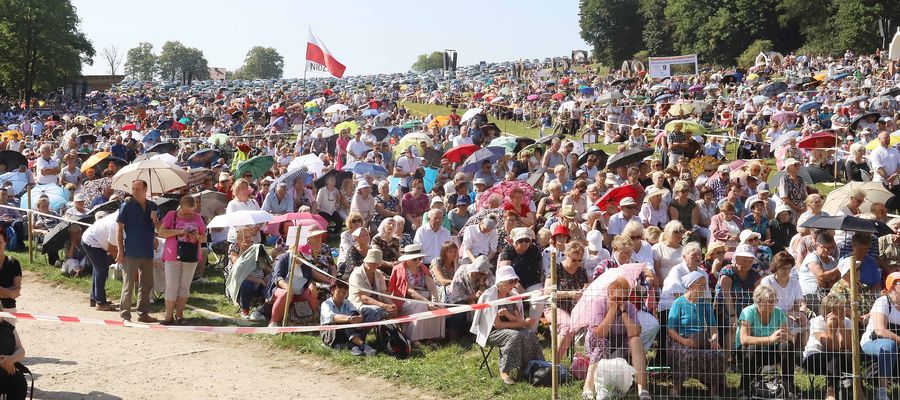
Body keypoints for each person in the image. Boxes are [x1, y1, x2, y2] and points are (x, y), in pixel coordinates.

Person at [579, 274, 652, 400]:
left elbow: (634, 333)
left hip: (620, 342)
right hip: (598, 342)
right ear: (609, 294)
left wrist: (623, 313)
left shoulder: (629, 307)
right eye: (616, 298)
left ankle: (643, 390)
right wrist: (612, 311)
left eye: (624, 298)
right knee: (602, 343)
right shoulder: (599, 303)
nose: (620, 302)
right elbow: (600, 333)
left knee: (636, 341)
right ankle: (588, 387)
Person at [470, 265, 544, 385]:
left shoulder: (513, 294)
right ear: (501, 282)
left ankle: (530, 367)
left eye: (515, 281)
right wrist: (522, 323)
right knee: (514, 335)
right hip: (491, 332)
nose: (513, 284)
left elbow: (518, 319)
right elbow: (498, 325)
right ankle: (505, 371)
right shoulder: (490, 297)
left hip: (511, 327)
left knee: (529, 333)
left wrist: (510, 316)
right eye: (511, 281)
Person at [666, 271, 724, 398]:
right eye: (701, 285)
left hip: (701, 339)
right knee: (685, 353)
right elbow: (670, 330)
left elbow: (713, 327)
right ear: (691, 286)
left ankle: (714, 390)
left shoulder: (705, 303)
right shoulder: (678, 303)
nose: (704, 288)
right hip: (681, 339)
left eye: (705, 285)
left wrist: (714, 339)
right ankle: (676, 388)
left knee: (717, 353)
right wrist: (685, 341)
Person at [736, 284, 796, 398]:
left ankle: (788, 387)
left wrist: (786, 337)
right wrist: (769, 339)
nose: (772, 304)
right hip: (749, 353)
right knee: (752, 348)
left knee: (786, 346)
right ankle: (744, 388)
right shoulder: (747, 312)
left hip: (771, 351)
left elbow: (789, 337)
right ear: (758, 301)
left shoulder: (778, 312)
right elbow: (744, 339)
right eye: (768, 301)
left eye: (774, 301)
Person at [157, 196, 205, 325]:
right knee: (171, 286)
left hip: (190, 255)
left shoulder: (198, 217)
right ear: (180, 206)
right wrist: (179, 232)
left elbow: (204, 239)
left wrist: (197, 236)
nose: (188, 215)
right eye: (185, 212)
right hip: (172, 255)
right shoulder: (171, 215)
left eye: (191, 212)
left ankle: (179, 314)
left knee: (184, 287)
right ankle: (168, 316)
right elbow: (161, 232)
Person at [115, 180, 159, 323]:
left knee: (147, 285)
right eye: (133, 188)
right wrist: (120, 251)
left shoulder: (153, 206)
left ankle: (143, 313)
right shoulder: (126, 206)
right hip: (131, 251)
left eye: (137, 189)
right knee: (128, 285)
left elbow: (159, 227)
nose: (134, 191)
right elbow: (119, 228)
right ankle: (125, 315)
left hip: (147, 251)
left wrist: (155, 220)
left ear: (145, 189)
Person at [388, 244, 444, 343]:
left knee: (439, 306)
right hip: (404, 300)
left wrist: (434, 300)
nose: (418, 261)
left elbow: (432, 286)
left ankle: (432, 337)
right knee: (421, 306)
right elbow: (410, 291)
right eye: (415, 259)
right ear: (407, 259)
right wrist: (427, 302)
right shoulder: (399, 269)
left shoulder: (423, 268)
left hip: (423, 298)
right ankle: (413, 339)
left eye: (420, 258)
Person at [802, 294, 853, 400]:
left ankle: (853, 389)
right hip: (815, 357)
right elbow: (831, 347)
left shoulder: (847, 321)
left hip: (837, 358)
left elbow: (847, 346)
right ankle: (831, 392)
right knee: (833, 355)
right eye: (838, 310)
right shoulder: (816, 322)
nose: (842, 312)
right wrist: (831, 329)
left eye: (842, 308)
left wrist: (842, 326)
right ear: (828, 312)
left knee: (848, 353)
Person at [267, 243, 330, 327]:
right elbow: (277, 278)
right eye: (302, 257)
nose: (304, 259)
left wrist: (311, 284)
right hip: (279, 289)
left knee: (312, 293)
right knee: (285, 294)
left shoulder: (305, 263)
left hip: (299, 291)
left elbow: (309, 278)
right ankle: (273, 322)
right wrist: (287, 288)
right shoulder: (283, 258)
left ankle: (312, 320)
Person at [545, 241, 589, 361]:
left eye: (580, 260)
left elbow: (586, 287)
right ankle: (554, 364)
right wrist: (569, 294)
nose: (577, 263)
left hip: (576, 310)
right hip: (554, 307)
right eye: (574, 260)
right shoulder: (556, 268)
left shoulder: (581, 271)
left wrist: (584, 290)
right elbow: (547, 293)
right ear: (566, 255)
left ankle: (590, 362)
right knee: (568, 325)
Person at [861, 271, 900, 400]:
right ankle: (882, 393)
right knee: (889, 345)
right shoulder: (883, 302)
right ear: (893, 287)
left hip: (896, 343)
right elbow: (880, 331)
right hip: (873, 341)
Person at [320, 280, 377, 356]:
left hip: (345, 331)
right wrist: (349, 318)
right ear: (332, 290)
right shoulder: (326, 304)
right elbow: (333, 317)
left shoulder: (347, 302)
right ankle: (362, 345)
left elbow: (356, 315)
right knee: (345, 321)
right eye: (339, 291)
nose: (341, 295)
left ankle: (352, 346)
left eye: (344, 293)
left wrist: (358, 318)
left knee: (351, 322)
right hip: (329, 332)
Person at [348, 249, 398, 323]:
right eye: (372, 263)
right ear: (366, 261)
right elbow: (363, 298)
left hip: (379, 305)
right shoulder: (356, 274)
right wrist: (384, 306)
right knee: (378, 311)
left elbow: (383, 294)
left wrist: (392, 305)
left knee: (392, 311)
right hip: (359, 306)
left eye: (377, 263)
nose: (375, 265)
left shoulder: (379, 273)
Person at [0, 318, 26, 399]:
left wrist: (11, 359)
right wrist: (3, 362)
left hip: (8, 369)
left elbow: (21, 350)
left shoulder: (8, 327)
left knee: (19, 381)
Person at [0, 229, 22, 325]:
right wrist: (9, 292)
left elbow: (16, 293)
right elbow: (13, 292)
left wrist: (12, 293)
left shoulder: (13, 263)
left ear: (5, 243)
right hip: (8, 301)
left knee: (13, 339)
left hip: (8, 308)